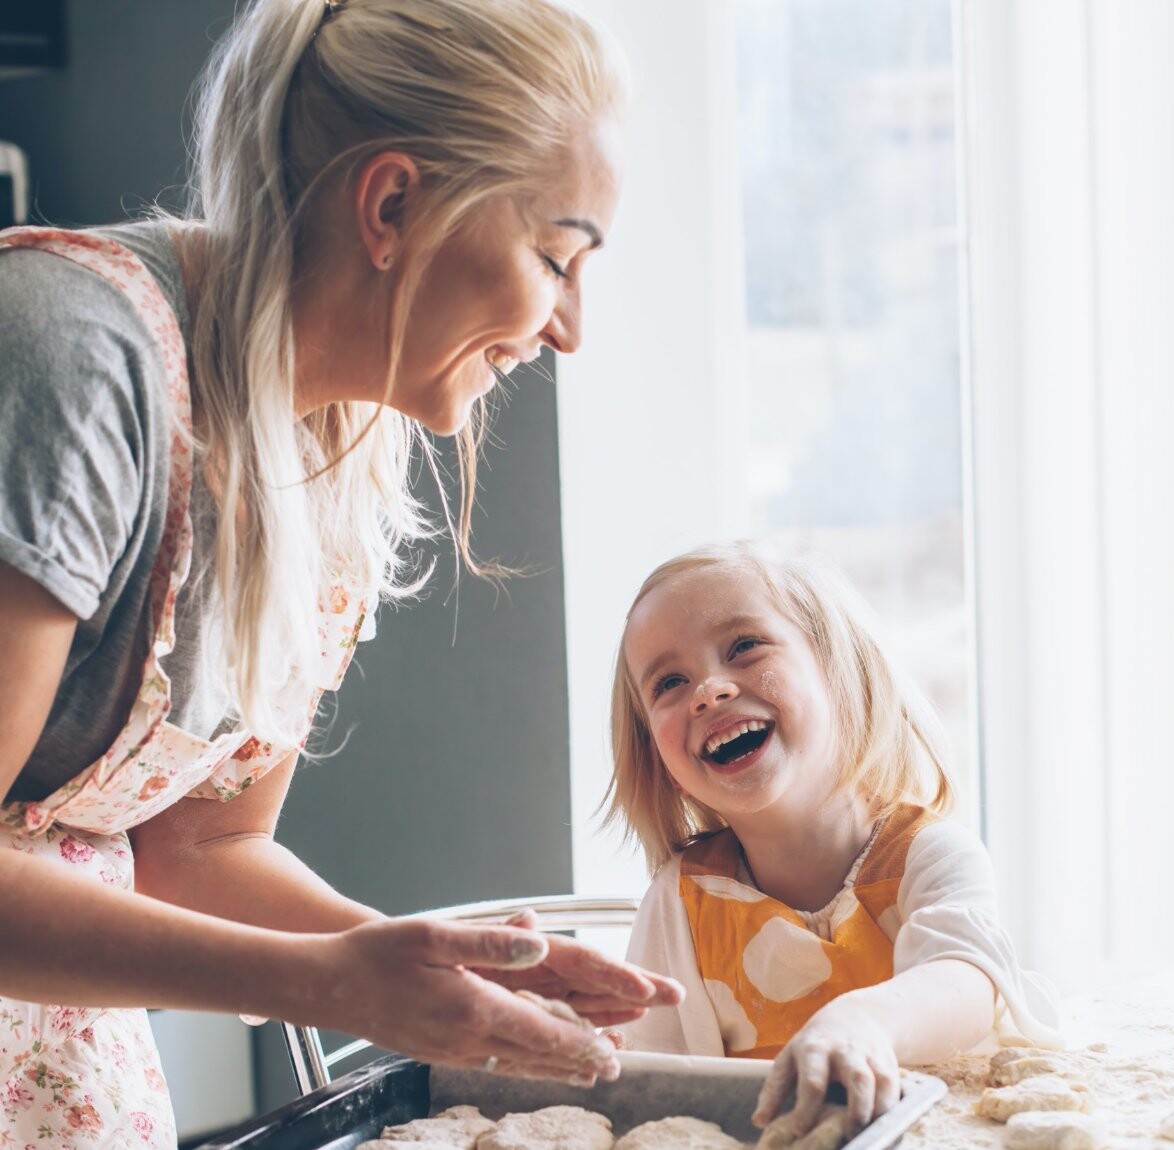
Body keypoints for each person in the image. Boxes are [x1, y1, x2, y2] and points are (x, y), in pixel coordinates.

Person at [0, 1, 681, 1146]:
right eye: (556, 258)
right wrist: (329, 984)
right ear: (394, 202)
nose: (571, 331)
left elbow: (202, 845)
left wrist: (429, 977)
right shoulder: (72, 361)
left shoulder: (335, 451)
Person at [604, 542, 1064, 1139]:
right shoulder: (678, 904)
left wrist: (862, 1021)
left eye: (744, 647)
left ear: (836, 667)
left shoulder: (928, 856)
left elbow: (967, 981)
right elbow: (659, 1097)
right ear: (655, 754)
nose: (709, 690)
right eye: (669, 681)